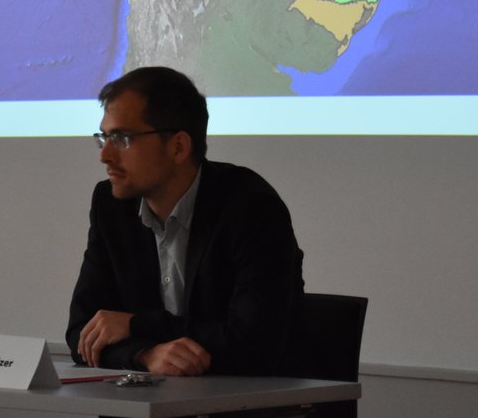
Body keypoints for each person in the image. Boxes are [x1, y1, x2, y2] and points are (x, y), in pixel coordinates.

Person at [67, 66, 305, 377]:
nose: (105, 155)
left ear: (179, 146)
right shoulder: (110, 205)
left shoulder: (251, 207)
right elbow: (83, 335)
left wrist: (135, 325)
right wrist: (145, 355)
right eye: (105, 137)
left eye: (122, 138)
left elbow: (253, 343)